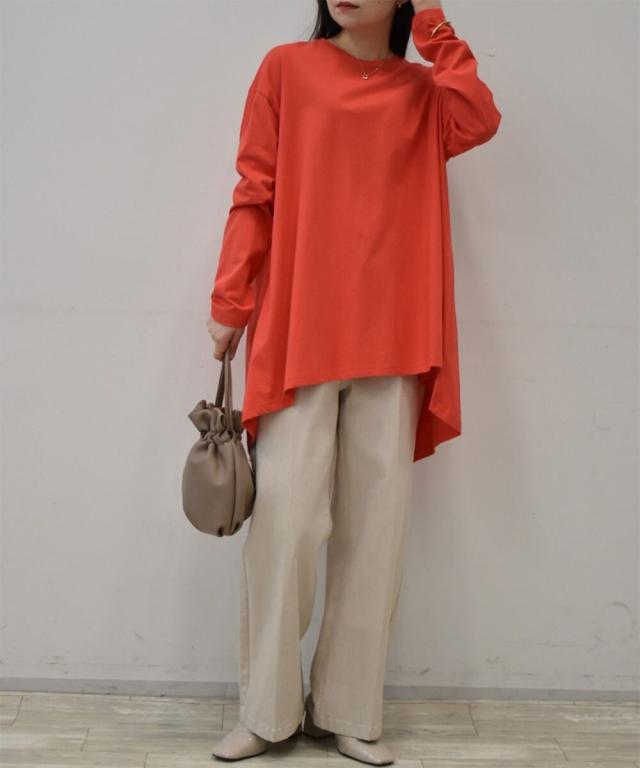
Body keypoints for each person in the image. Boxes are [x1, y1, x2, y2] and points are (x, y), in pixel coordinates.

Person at [207, 0, 501, 763]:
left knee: (376, 527)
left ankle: (347, 709)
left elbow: (479, 114)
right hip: (303, 329)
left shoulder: (424, 92)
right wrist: (231, 300)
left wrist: (432, 22)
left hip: (395, 332)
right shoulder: (287, 69)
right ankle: (267, 711)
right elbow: (255, 187)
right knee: (285, 521)